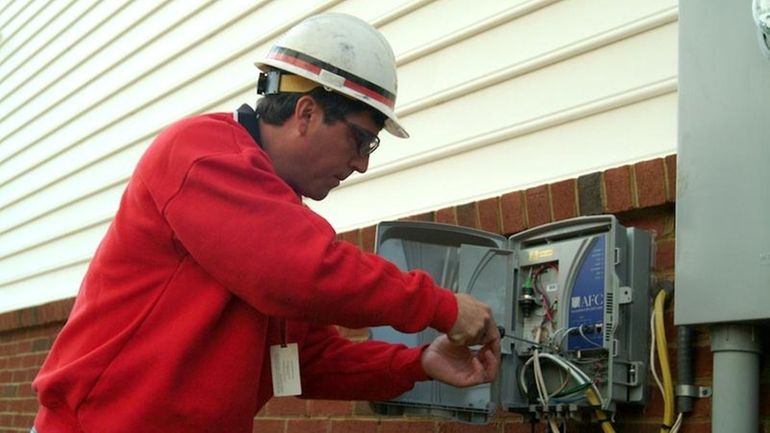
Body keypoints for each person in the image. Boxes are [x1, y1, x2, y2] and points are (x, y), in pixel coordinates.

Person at [31, 13, 501, 433]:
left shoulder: (276, 216)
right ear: (307, 112)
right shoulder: (201, 152)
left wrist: (419, 361)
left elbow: (306, 361)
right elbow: (300, 272)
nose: (361, 164)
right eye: (361, 140)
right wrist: (442, 306)